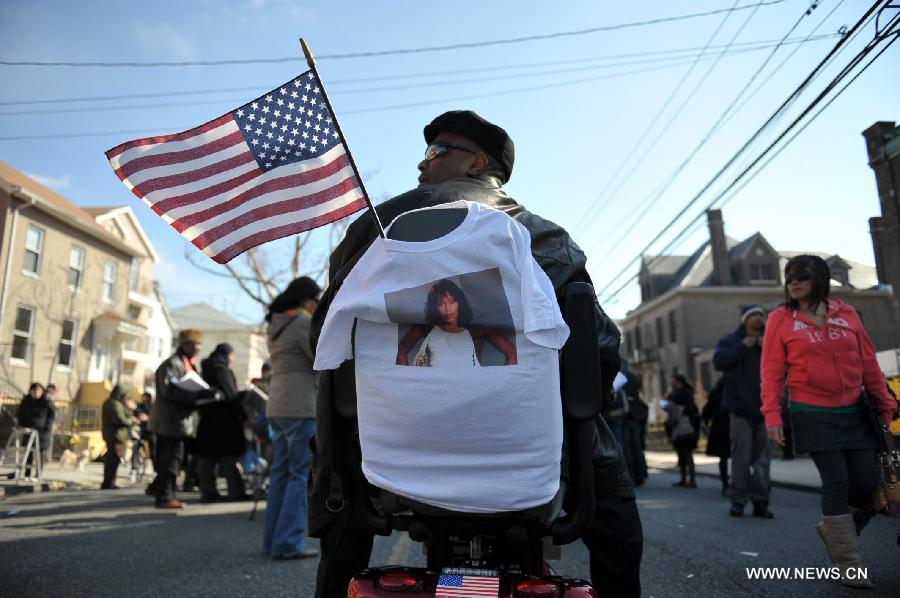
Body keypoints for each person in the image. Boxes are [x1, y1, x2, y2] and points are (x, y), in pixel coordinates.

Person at [309, 110, 639, 597]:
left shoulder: (373, 232)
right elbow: (598, 352)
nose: (423, 164)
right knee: (617, 523)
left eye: (436, 151)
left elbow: (328, 344)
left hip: (386, 452)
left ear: (476, 162)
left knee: (340, 532)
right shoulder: (546, 240)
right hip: (525, 454)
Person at [761, 255, 897, 589]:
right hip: (811, 411)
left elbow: (868, 364)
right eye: (790, 276)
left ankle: (835, 532)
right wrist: (772, 415)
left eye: (802, 276)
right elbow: (772, 372)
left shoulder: (846, 313)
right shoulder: (780, 318)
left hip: (854, 410)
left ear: (820, 279)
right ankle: (848, 563)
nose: (794, 282)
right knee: (836, 482)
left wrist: (885, 402)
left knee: (865, 485)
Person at [264, 276, 321, 560]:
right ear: (306, 299)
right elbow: (319, 358)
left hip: (277, 405)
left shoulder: (275, 324)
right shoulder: (300, 323)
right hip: (300, 405)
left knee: (280, 474)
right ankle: (287, 542)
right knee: (299, 475)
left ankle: (272, 539)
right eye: (316, 299)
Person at [148, 328, 220, 509]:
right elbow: (169, 391)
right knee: (170, 460)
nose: (199, 348)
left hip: (179, 421)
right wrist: (197, 396)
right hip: (170, 421)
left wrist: (204, 394)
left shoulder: (186, 363)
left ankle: (162, 492)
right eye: (196, 344)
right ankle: (164, 497)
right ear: (186, 344)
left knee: (174, 460)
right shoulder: (172, 364)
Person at [714, 305, 774, 519]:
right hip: (739, 408)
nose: (758, 320)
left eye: (761, 316)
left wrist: (768, 347)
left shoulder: (769, 340)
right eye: (754, 316)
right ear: (745, 320)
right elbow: (718, 362)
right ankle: (738, 501)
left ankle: (761, 501)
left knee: (762, 458)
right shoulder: (730, 340)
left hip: (765, 407)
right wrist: (743, 346)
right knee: (741, 456)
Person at [396, 278, 518, 367]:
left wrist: (507, 382)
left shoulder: (477, 330)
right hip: (436, 391)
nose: (447, 308)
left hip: (471, 390)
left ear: (460, 302)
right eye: (440, 304)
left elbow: (511, 351)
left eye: (452, 301)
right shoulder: (425, 328)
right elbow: (401, 351)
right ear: (434, 307)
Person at [197, 343, 248, 502]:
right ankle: (235, 490)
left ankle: (208, 491)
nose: (233, 358)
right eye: (233, 355)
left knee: (207, 457)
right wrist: (242, 415)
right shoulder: (221, 369)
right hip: (225, 420)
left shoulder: (205, 368)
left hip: (206, 419)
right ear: (227, 355)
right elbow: (231, 395)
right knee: (229, 456)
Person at [663, 374, 699, 488]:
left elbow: (690, 408)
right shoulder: (673, 393)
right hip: (676, 426)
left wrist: (676, 408)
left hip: (686, 425)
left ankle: (692, 480)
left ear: (678, 381)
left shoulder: (686, 393)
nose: (671, 383)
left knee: (688, 453)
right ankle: (683, 478)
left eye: (673, 381)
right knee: (680, 453)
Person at [16, 382, 54, 479]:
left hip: (41, 433)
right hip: (28, 431)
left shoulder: (46, 402)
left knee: (39, 453)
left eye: (38, 391)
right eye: (34, 391)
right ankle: (27, 473)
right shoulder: (26, 401)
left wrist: (47, 428)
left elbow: (51, 416)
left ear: (42, 392)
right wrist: (22, 425)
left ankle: (38, 474)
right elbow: (21, 414)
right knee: (28, 452)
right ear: (30, 391)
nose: (36, 393)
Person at [701, 378, 731, 497]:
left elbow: (706, 411)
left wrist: (706, 422)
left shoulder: (715, 392)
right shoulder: (735, 387)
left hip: (720, 428)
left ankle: (725, 485)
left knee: (723, 458)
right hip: (735, 425)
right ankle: (743, 484)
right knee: (742, 457)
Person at [101, 385, 134, 489]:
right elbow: (119, 419)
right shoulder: (114, 404)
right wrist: (131, 421)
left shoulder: (114, 403)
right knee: (113, 459)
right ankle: (109, 482)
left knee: (113, 459)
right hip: (115, 436)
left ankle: (110, 481)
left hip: (115, 435)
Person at [134, 391, 155, 470]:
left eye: (145, 397)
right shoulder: (140, 405)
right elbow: (136, 412)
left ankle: (154, 468)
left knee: (153, 451)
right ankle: (135, 465)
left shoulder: (153, 406)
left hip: (151, 431)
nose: (144, 398)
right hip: (141, 431)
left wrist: (148, 418)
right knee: (136, 447)